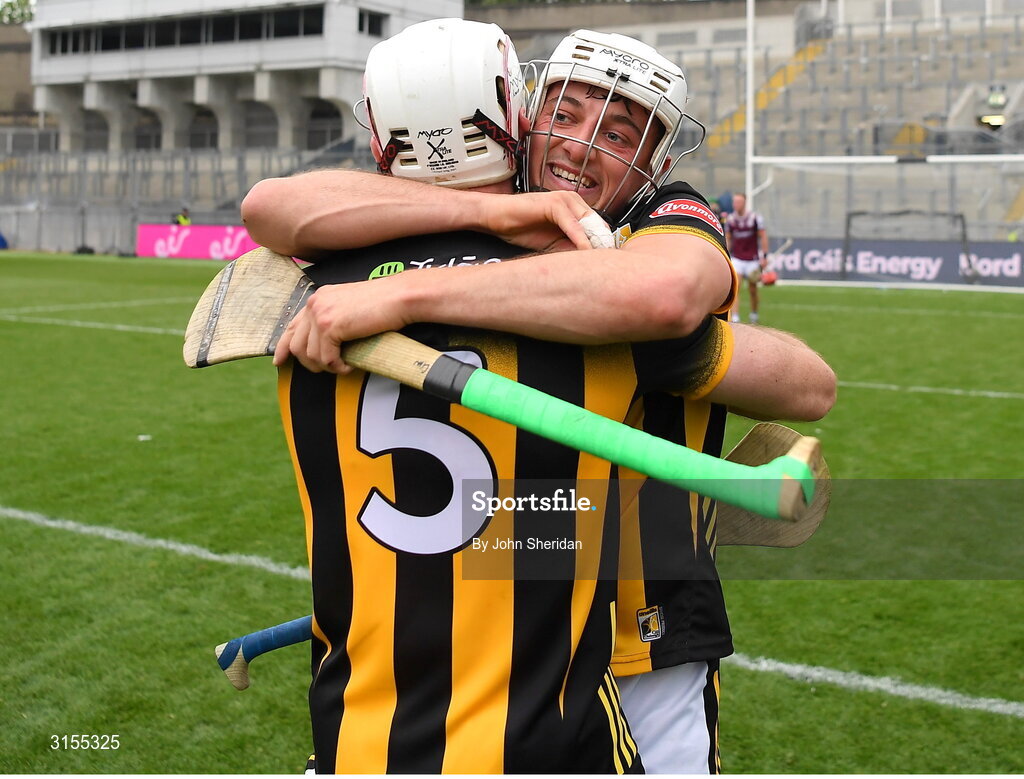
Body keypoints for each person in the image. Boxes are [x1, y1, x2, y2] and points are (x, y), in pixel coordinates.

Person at [246, 26, 834, 774]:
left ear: (654, 162)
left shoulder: (664, 219)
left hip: (645, 630)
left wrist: (399, 296)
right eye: (567, 114)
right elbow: (271, 205)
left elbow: (803, 380)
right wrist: (493, 220)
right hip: (498, 608)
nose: (583, 147)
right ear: (522, 114)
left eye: (618, 133)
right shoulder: (488, 206)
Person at [724, 192, 769, 324]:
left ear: (744, 203)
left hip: (752, 259)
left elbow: (763, 236)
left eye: (739, 202)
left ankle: (754, 314)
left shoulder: (755, 218)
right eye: (734, 202)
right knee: (736, 288)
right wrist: (727, 254)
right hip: (737, 258)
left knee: (752, 289)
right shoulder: (731, 219)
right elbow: (728, 238)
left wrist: (764, 256)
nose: (736, 204)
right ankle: (736, 317)